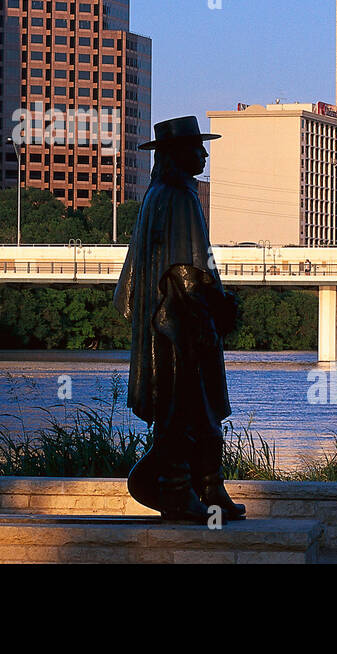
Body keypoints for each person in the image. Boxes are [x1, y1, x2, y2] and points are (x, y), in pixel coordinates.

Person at [115, 116, 245, 522]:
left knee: (196, 407)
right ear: (177, 153)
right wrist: (211, 309)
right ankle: (179, 488)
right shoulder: (180, 197)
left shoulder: (158, 196)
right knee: (188, 407)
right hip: (180, 325)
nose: (203, 154)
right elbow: (186, 268)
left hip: (173, 320)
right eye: (197, 148)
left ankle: (209, 488)